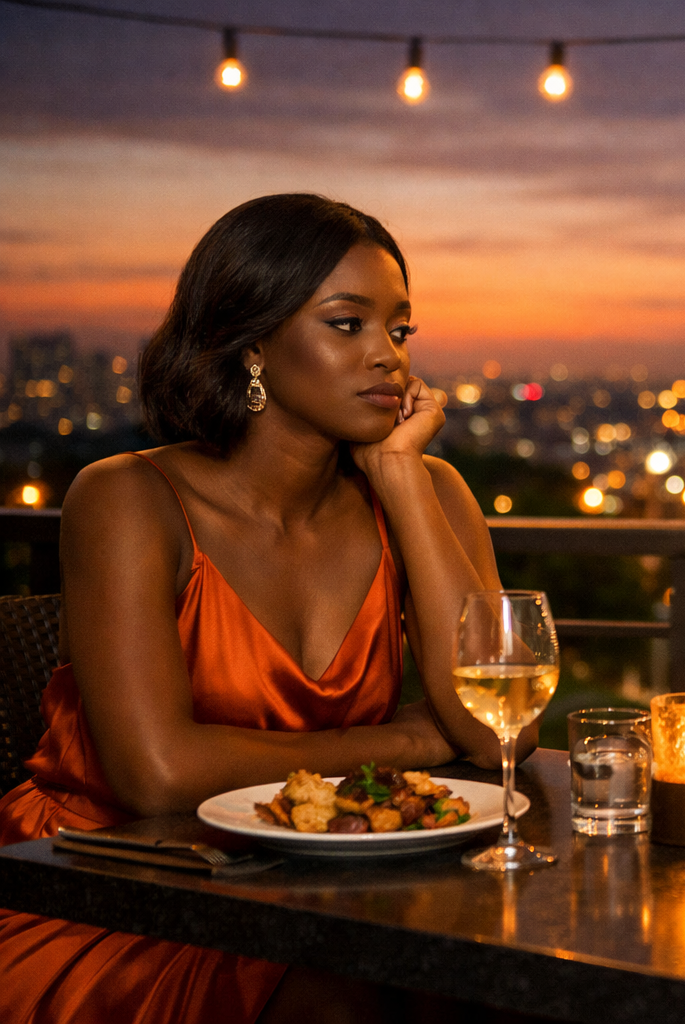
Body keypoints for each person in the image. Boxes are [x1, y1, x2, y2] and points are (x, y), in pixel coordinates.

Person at [0, 194, 535, 1023]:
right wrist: (408, 742)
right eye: (347, 324)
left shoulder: (425, 491)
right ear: (254, 339)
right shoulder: (126, 499)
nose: (388, 358)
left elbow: (503, 728)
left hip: (321, 885)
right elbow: (158, 776)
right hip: (107, 889)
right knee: (345, 1001)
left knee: (499, 985)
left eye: (400, 330)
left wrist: (399, 478)